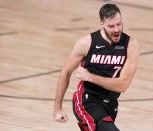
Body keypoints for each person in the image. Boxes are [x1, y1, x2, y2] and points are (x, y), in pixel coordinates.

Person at [54, 3, 140, 131]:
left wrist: (90, 77)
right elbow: (65, 72)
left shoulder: (131, 45)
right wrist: (58, 109)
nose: (116, 29)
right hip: (86, 101)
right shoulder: (87, 43)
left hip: (110, 103)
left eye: (119, 24)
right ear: (102, 24)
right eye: (111, 26)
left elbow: (123, 85)